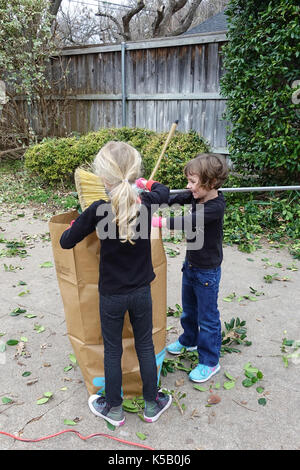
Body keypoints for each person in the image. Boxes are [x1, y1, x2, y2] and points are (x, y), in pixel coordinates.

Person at [60, 141, 172, 427]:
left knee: (113, 350)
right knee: (145, 344)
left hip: (111, 295)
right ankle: (151, 404)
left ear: (103, 178)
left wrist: (77, 226)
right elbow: (164, 192)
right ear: (136, 174)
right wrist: (147, 184)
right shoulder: (147, 202)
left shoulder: (98, 209)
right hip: (141, 292)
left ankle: (114, 409)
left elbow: (66, 241)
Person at [153, 153, 229, 383]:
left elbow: (188, 222)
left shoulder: (215, 206)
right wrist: (149, 191)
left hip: (208, 271)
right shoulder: (197, 196)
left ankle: (209, 361)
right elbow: (173, 198)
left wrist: (158, 222)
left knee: (207, 317)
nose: (189, 186)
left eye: (193, 181)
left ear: (211, 183)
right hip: (192, 265)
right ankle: (189, 340)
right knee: (189, 309)